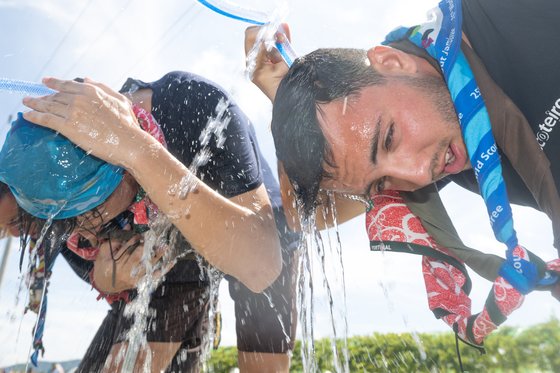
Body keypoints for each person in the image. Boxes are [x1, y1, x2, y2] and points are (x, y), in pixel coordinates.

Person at [244, 0, 560, 347]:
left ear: (393, 62)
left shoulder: (509, 12)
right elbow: (303, 216)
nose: (420, 174)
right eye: (381, 184)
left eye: (390, 137)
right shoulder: (437, 136)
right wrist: (287, 101)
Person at [6, 71, 299, 372]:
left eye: (95, 218)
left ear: (121, 169)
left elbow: (262, 267)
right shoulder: (70, 208)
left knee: (263, 363)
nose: (89, 238)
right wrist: (107, 279)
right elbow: (109, 276)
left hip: (255, 231)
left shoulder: (196, 108)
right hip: (171, 251)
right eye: (72, 228)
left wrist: (134, 147)